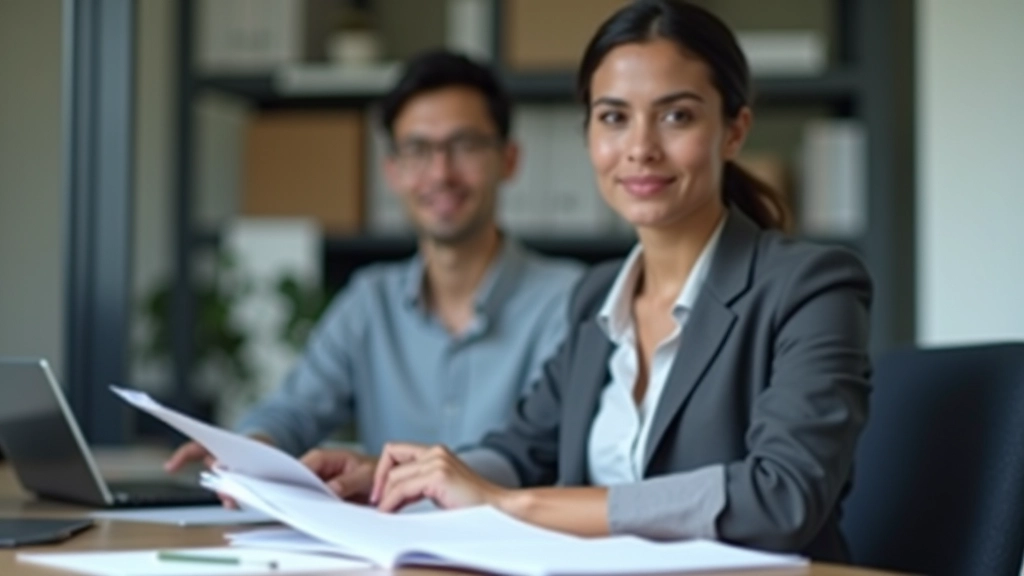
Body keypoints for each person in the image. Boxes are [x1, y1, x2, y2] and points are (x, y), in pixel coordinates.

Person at [301, 0, 873, 563]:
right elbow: (522, 451)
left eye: (676, 116)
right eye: (614, 118)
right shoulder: (596, 299)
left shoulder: (810, 287)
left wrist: (516, 506)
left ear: (733, 131)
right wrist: (411, 477)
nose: (640, 148)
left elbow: (781, 496)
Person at [165, 50, 585, 494]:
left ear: (509, 159)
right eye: (418, 150)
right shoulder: (370, 301)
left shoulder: (571, 303)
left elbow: (542, 450)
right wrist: (250, 449)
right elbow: (295, 409)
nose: (441, 173)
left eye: (464, 146)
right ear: (392, 171)